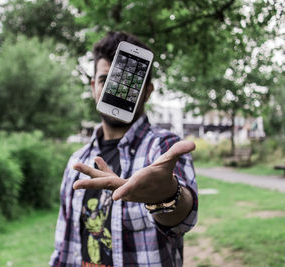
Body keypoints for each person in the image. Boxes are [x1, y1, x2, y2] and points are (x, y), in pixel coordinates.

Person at [49, 31, 198, 267]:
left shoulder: (163, 148)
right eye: (104, 80)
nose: (112, 90)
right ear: (93, 87)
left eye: (123, 82)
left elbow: (182, 219)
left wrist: (167, 195)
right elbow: (64, 246)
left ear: (148, 91)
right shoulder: (77, 161)